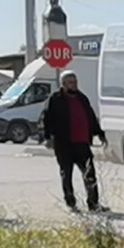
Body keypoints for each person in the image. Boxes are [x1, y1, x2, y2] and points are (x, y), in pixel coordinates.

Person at [41, 70, 108, 213]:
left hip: (82, 143)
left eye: (75, 81)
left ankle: (93, 203)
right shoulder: (55, 99)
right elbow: (46, 119)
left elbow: (90, 116)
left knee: (89, 174)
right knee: (67, 174)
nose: (74, 84)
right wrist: (47, 137)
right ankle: (71, 202)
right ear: (64, 84)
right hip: (64, 144)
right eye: (71, 82)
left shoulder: (82, 98)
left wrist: (99, 133)